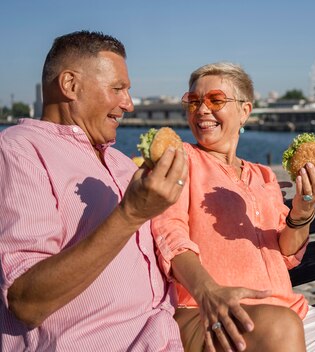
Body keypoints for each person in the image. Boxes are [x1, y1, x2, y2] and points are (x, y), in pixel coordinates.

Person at [150, 62, 315, 352]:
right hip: (211, 312)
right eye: (193, 101)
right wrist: (208, 292)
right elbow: (170, 235)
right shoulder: (180, 161)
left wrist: (302, 211)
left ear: (245, 111)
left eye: (215, 100)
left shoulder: (263, 175)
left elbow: (288, 253)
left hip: (288, 310)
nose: (201, 109)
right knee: (281, 327)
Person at [0, 31, 188, 350]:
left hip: (170, 331)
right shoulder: (18, 152)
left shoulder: (120, 162)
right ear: (70, 85)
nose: (128, 104)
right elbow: (26, 303)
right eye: (118, 89)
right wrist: (130, 215)